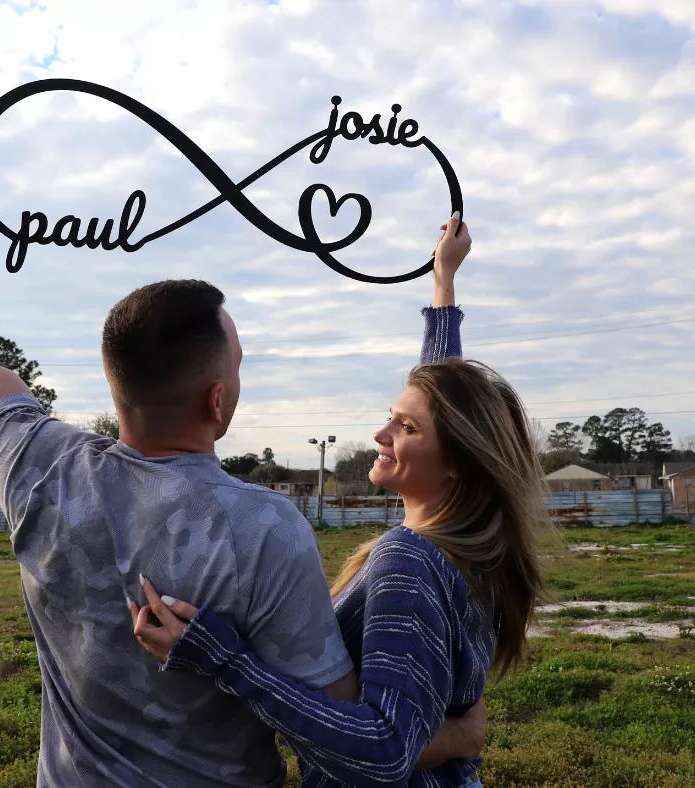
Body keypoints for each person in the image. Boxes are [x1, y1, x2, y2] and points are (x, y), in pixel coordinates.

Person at [0, 155, 482, 787]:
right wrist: (452, 736)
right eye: (239, 365)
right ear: (217, 400)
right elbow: (346, 737)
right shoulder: (265, 530)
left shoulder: (40, 466)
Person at [133, 227, 548, 787]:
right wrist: (444, 281)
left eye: (404, 428)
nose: (380, 433)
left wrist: (223, 660)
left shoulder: (409, 560)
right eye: (391, 417)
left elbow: (385, 752)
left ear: (457, 461)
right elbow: (447, 400)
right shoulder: (475, 548)